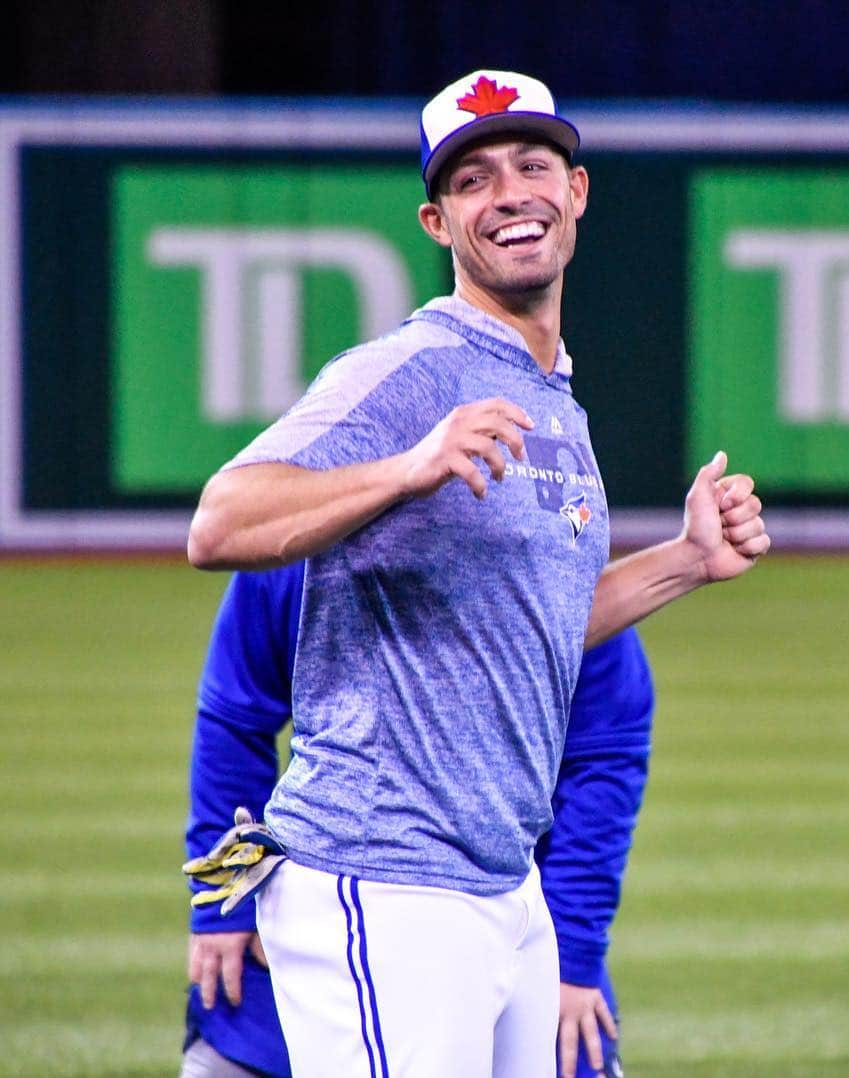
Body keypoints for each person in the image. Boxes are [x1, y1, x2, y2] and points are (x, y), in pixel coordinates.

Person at [186, 67, 768, 1076]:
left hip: (504, 890)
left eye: (532, 165)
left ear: (575, 191)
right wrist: (406, 467)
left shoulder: (553, 399)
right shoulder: (413, 370)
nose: (510, 195)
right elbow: (218, 520)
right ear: (436, 219)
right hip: (384, 879)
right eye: (473, 180)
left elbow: (537, 621)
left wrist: (685, 563)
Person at [182, 564, 653, 1078]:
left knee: (568, 1044)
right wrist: (221, 910)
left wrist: (575, 951)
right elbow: (235, 716)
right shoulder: (302, 534)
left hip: (510, 900)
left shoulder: (537, 544)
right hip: (332, 885)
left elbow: (604, 756)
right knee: (226, 1050)